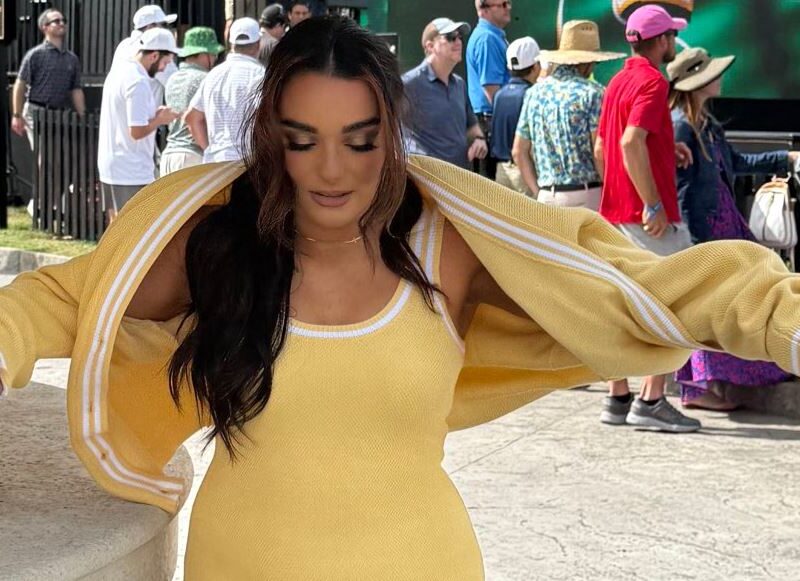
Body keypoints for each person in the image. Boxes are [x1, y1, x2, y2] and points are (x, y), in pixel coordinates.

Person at [5, 16, 800, 578]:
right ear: (270, 138)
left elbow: (661, 289)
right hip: (239, 562)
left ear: (391, 135)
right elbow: (63, 300)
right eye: (303, 141)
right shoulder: (217, 245)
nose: (332, 170)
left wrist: (779, 317)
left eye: (359, 141)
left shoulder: (447, 246)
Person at [666, 47, 800, 410]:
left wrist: (785, 158)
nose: (721, 78)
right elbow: (682, 190)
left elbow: (736, 162)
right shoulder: (682, 126)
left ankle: (744, 370)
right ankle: (698, 387)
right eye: (713, 74)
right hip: (707, 227)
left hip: (723, 221)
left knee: (737, 300)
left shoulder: (705, 124)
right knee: (711, 305)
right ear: (699, 83)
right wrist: (695, 242)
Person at [595, 4, 700, 432]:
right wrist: (651, 203)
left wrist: (664, 150)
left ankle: (617, 396)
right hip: (649, 220)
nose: (675, 42)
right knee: (678, 303)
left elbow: (603, 149)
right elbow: (629, 142)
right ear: (661, 41)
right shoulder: (654, 82)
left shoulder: (616, 81)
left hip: (615, 216)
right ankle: (652, 400)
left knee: (619, 308)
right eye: (672, 35)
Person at [513, 20, 623, 208]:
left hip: (547, 196)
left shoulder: (533, 94)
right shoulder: (593, 93)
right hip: (587, 194)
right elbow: (599, 151)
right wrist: (613, 194)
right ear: (587, 62)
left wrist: (538, 192)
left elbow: (518, 151)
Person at [98, 28, 180, 222]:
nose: (164, 69)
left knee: (117, 228)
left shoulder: (119, 71)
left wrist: (154, 115)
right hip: (131, 169)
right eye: (165, 62)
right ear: (154, 55)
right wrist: (160, 119)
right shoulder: (138, 82)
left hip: (114, 165)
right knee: (135, 228)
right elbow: (136, 131)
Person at [403, 18, 487, 169]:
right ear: (430, 46)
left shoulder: (459, 84)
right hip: (426, 177)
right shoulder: (408, 84)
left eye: (459, 37)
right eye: (450, 37)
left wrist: (479, 140)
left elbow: (472, 126)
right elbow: (392, 132)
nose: (458, 42)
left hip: (460, 176)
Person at [184, 17, 265, 163]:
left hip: (216, 162)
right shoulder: (260, 75)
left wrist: (209, 149)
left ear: (231, 44)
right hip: (247, 162)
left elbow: (192, 118)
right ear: (258, 44)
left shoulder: (213, 75)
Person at [11, 8, 85, 148]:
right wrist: (17, 115)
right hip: (36, 111)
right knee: (44, 153)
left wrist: (82, 115)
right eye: (56, 21)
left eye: (63, 20)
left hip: (58, 114)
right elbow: (20, 84)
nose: (62, 23)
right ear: (44, 27)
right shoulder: (35, 55)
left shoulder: (72, 59)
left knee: (57, 155)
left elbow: (76, 89)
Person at [160, 27, 224, 176]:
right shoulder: (206, 79)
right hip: (192, 157)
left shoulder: (172, 78)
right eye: (213, 53)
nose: (215, 58)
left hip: (169, 155)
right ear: (202, 54)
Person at [466, 0, 512, 178]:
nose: (508, 8)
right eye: (502, 4)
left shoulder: (492, 36)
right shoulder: (487, 39)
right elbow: (492, 90)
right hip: (489, 123)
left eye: (508, 3)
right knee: (490, 185)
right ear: (484, 10)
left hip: (489, 122)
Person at [491, 36, 541, 196]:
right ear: (535, 67)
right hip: (525, 172)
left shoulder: (499, 95)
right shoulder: (532, 95)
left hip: (501, 171)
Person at [111, 5, 179, 105]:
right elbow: (177, 84)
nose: (167, 30)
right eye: (164, 25)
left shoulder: (123, 45)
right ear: (151, 27)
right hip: (144, 113)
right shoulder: (157, 49)